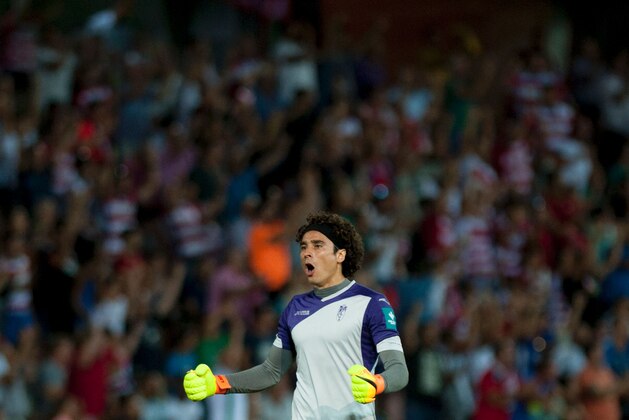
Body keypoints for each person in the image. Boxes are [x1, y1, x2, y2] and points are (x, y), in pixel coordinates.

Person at [183, 210, 409, 419]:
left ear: (340, 255)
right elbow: (270, 372)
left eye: (318, 245)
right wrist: (217, 384)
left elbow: (399, 371)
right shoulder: (294, 307)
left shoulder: (372, 303)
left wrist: (377, 383)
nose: (307, 253)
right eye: (304, 247)